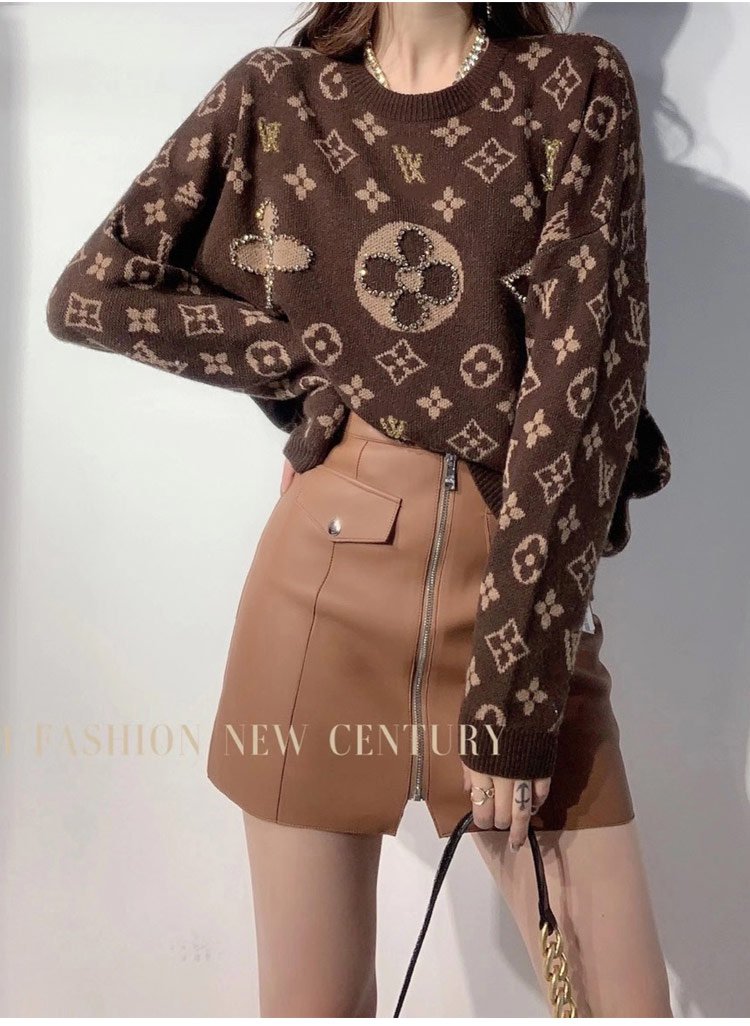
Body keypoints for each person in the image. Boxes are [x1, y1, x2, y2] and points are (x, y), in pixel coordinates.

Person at [45, 1, 674, 1016]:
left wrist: (515, 695)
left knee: (619, 1005)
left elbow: (584, 397)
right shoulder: (277, 96)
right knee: (316, 1006)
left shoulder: (572, 87)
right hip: (316, 603)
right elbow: (97, 291)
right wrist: (315, 362)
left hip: (517, 608)